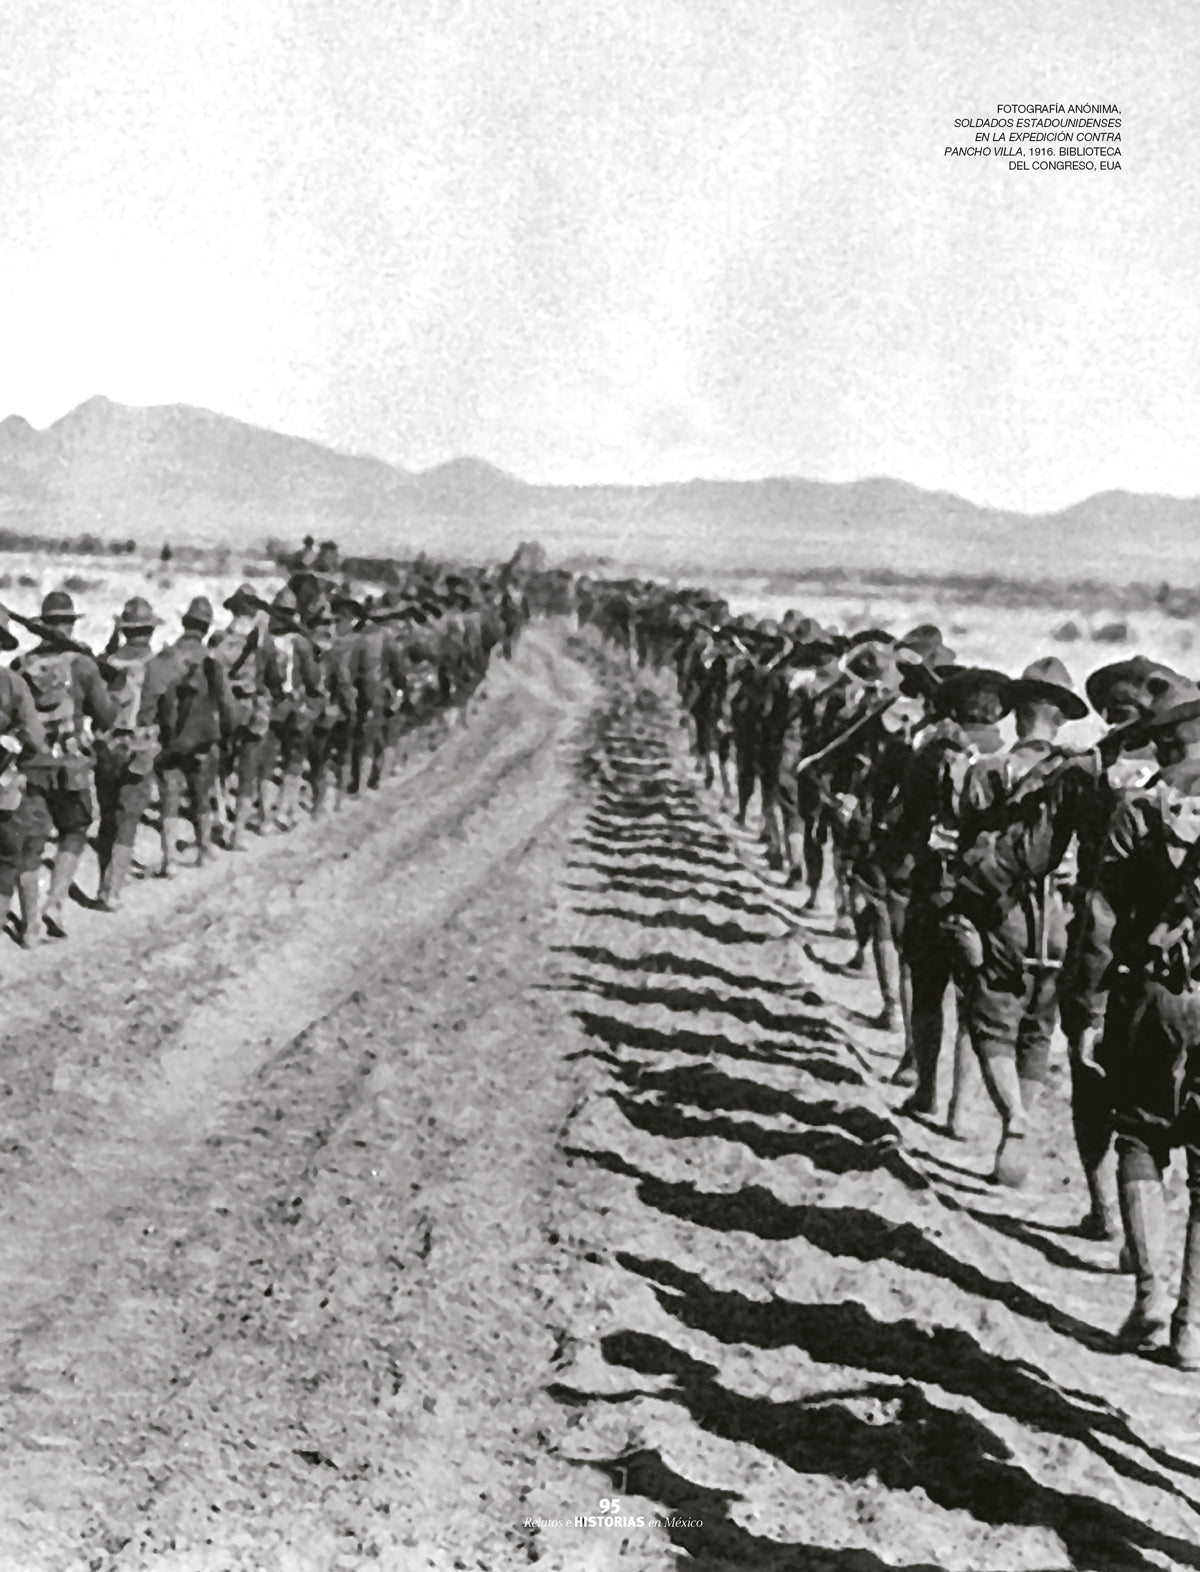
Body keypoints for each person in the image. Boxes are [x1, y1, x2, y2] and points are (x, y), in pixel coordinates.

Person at [1067, 672, 1200, 1366]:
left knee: (1141, 1138)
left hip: (1151, 998)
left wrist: (1089, 1007)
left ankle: (1150, 1298)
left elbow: (1100, 919)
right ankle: (1191, 1327)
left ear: (1163, 743)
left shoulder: (1138, 809)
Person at [951, 657, 1088, 1184]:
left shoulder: (988, 771)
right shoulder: (1081, 776)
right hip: (1060, 920)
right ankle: (1016, 1143)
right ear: (1062, 719)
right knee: (1038, 1029)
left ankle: (1015, 1117)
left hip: (1002, 913)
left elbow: (968, 845)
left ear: (1015, 714)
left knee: (991, 1024)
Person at [11, 590, 115, 940]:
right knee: (75, 829)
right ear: (70, 624)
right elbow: (106, 715)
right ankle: (54, 903)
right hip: (71, 764)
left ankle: (30, 925)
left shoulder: (20, 665)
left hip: (32, 764)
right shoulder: (82, 665)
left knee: (31, 844)